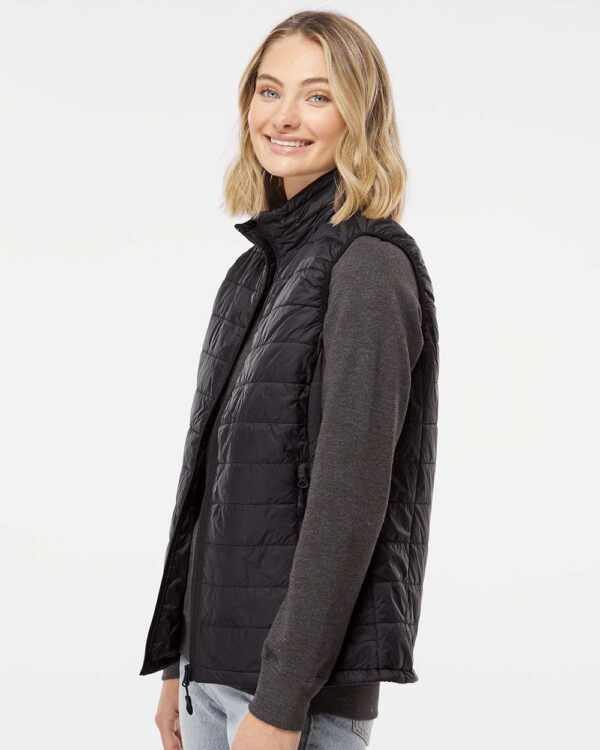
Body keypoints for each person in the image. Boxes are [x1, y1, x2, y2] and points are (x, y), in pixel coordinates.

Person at [141, 10, 439, 750]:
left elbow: (348, 506)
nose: (283, 116)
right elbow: (212, 487)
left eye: (318, 95)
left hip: (290, 704)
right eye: (269, 90)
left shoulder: (368, 269)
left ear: (359, 117)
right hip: (211, 680)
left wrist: (280, 704)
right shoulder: (253, 273)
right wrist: (177, 661)